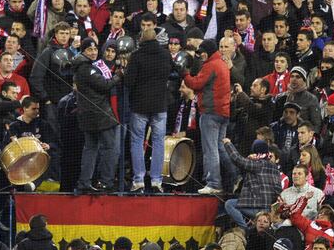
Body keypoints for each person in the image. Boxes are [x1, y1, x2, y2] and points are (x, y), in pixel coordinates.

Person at [182, 39, 235, 194]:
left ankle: (214, 183)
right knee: (220, 148)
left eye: (203, 51)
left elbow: (196, 84)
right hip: (223, 113)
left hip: (211, 113)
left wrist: (184, 74)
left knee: (210, 149)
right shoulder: (222, 63)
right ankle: (235, 174)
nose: (201, 55)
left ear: (209, 51)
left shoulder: (212, 65)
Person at [124, 29, 171, 193]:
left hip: (139, 106)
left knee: (137, 141)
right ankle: (157, 181)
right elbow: (169, 76)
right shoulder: (165, 55)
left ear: (141, 40)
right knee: (158, 143)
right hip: (160, 106)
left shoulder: (136, 56)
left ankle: (139, 181)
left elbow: (129, 82)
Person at [73, 38, 120, 192]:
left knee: (90, 149)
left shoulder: (82, 66)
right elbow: (105, 85)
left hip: (88, 116)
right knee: (109, 148)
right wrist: (119, 75)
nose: (93, 53)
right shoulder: (87, 68)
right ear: (83, 51)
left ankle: (85, 182)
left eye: (94, 49)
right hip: (99, 115)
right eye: (89, 50)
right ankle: (106, 181)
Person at [223, 138, 282, 230]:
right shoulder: (275, 168)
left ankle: (245, 229)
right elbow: (278, 190)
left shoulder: (257, 164)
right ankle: (252, 225)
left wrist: (228, 144)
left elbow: (237, 159)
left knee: (229, 204)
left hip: (256, 208)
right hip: (268, 209)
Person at [6, 97, 60, 191]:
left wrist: (48, 145)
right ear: (24, 109)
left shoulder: (43, 124)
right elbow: (6, 146)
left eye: (38, 109)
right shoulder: (14, 126)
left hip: (39, 159)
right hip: (21, 161)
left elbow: (55, 142)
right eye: (34, 109)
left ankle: (39, 183)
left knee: (53, 156)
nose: (37, 111)